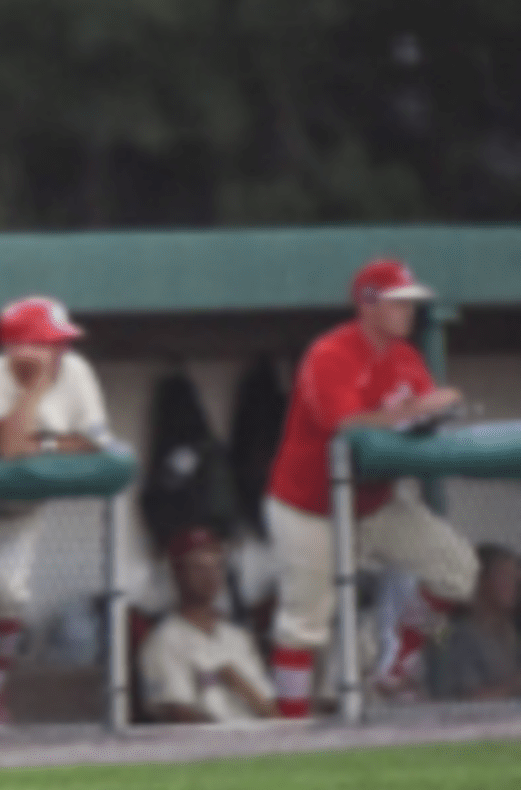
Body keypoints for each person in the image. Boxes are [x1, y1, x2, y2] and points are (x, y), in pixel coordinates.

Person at [263, 258, 476, 717]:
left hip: (375, 501)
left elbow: (423, 417)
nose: (408, 310)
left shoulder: (407, 358)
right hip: (310, 507)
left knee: (458, 572)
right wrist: (418, 409)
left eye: (411, 302)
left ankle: (399, 661)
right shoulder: (330, 353)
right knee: (305, 624)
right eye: (398, 301)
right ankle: (287, 727)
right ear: (368, 303)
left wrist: (437, 412)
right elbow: (346, 425)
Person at [0, 293, 115, 722]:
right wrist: (34, 391)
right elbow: (6, 447)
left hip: (18, 516)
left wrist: (42, 442)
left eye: (59, 343)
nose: (57, 353)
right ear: (12, 347)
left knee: (5, 594)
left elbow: (95, 442)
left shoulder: (75, 371)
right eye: (44, 343)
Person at [138, 526, 278, 723]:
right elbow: (179, 715)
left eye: (217, 566)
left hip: (256, 737)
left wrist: (237, 683)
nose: (210, 575)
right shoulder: (163, 639)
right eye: (198, 568)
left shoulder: (238, 636)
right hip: (205, 741)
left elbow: (271, 712)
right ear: (178, 572)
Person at [428, 545, 521, 702]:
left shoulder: (510, 633)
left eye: (515, 577)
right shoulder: (451, 635)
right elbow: (462, 702)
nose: (514, 584)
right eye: (505, 575)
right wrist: (513, 687)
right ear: (480, 579)